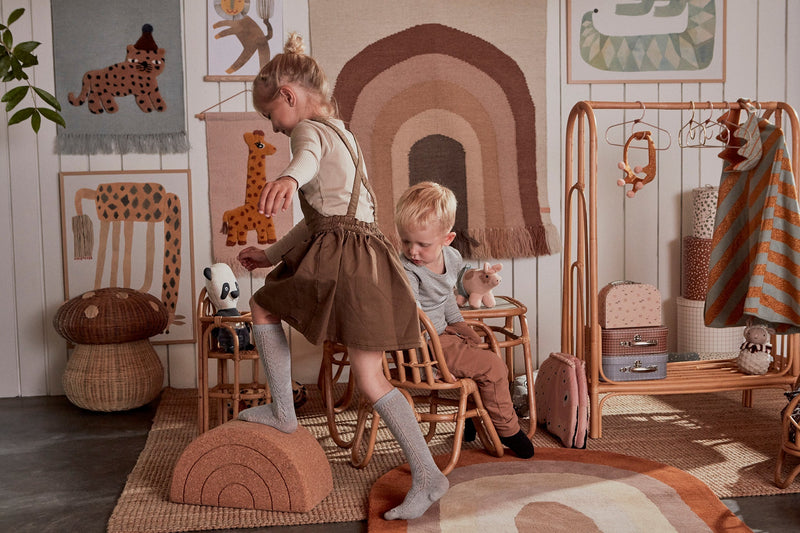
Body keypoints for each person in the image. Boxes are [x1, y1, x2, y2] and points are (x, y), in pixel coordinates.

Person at [235, 33, 448, 521]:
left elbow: (304, 161)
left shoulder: (307, 132)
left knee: (264, 306)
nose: (272, 125)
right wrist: (270, 254)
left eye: (270, 115)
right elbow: (324, 218)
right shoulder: (345, 135)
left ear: (288, 96)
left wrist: (289, 177)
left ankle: (284, 411)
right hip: (369, 259)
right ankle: (428, 474)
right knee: (373, 379)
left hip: (344, 261)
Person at [394, 181, 535, 459]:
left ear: (447, 239)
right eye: (406, 241)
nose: (412, 251)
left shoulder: (452, 257)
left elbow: (446, 296)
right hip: (423, 341)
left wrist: (460, 324)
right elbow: (410, 311)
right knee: (494, 367)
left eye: (423, 244)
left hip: (443, 332)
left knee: (479, 343)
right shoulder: (407, 269)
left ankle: (472, 418)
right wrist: (433, 347)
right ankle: (508, 429)